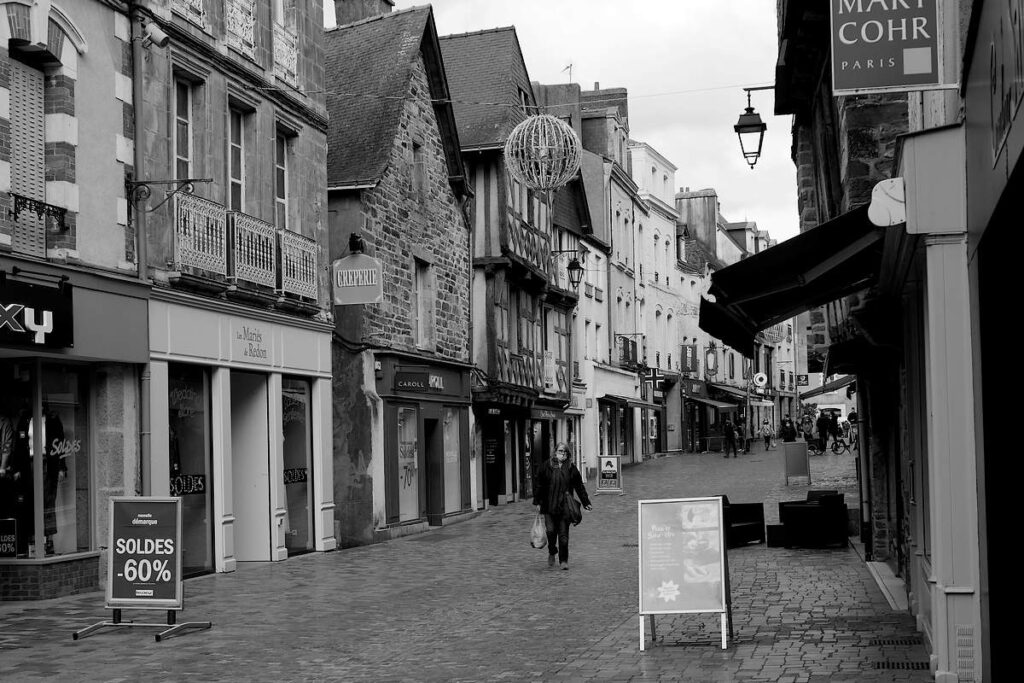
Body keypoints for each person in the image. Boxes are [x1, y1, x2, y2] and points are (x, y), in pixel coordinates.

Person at [533, 442, 591, 570]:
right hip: (548, 505)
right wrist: (537, 502)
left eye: (565, 452)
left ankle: (564, 560)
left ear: (567, 454)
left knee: (563, 536)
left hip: (565, 506)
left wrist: (586, 502)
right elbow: (539, 485)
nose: (562, 454)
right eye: (560, 451)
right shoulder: (546, 466)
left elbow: (579, 486)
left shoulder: (571, 467)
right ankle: (552, 551)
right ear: (555, 452)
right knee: (551, 531)